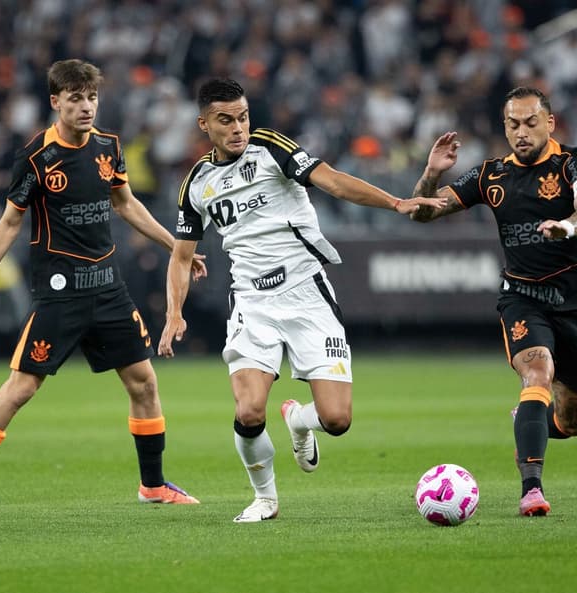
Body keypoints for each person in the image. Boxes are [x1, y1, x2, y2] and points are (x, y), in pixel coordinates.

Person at [157, 78, 444, 523]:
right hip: (252, 301)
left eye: (244, 117)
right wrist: (174, 312)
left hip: (307, 292)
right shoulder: (197, 183)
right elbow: (181, 257)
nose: (238, 128)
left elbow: (331, 181)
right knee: (249, 409)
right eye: (225, 120)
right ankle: (265, 499)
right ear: (203, 124)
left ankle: (298, 421)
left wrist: (395, 203)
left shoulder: (271, 148)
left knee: (337, 420)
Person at [0, 59, 207, 511]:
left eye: (92, 98)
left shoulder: (108, 146)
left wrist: (174, 247)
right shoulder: (35, 158)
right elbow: (9, 223)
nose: (87, 107)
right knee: (21, 388)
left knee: (144, 382)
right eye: (76, 99)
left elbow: (126, 205)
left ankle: (154, 484)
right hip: (61, 294)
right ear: (55, 102)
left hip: (109, 289)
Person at [411, 87, 577, 517]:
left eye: (530, 122)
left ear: (549, 123)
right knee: (537, 371)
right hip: (522, 297)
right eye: (513, 124)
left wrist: (568, 228)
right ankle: (531, 489)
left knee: (572, 423)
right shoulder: (489, 175)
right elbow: (422, 211)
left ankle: (530, 418)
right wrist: (431, 174)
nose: (521, 131)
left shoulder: (575, 162)